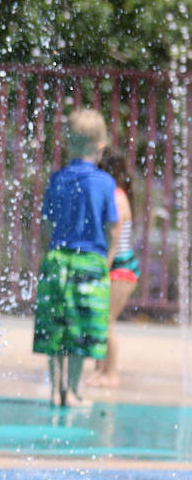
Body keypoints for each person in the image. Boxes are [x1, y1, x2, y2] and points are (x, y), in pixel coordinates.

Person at [32, 109, 118, 408]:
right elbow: (112, 227)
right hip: (90, 260)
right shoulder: (106, 183)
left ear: (67, 143)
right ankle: (75, 391)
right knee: (83, 329)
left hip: (57, 258)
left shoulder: (57, 179)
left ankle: (56, 390)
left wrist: (48, 255)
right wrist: (106, 263)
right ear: (100, 146)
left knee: (55, 325)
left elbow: (46, 226)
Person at [86, 147, 140, 389]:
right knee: (101, 321)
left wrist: (104, 265)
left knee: (107, 322)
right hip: (119, 267)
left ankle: (111, 374)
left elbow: (115, 234)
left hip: (120, 268)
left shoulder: (116, 195)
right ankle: (101, 370)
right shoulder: (115, 192)